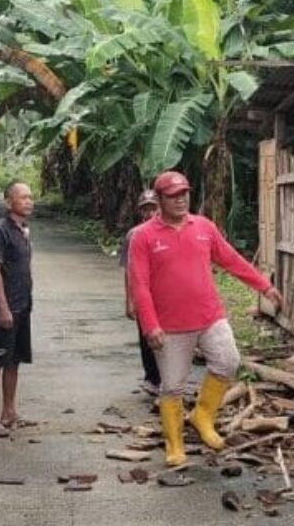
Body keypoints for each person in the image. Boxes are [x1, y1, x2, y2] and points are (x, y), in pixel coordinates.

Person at [128, 170, 284, 467]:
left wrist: (265, 286)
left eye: (184, 193)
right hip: (170, 327)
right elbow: (140, 285)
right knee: (172, 385)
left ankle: (203, 416)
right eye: (173, 196)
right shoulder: (143, 236)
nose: (181, 200)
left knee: (228, 361)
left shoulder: (204, 227)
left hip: (210, 316)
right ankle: (174, 444)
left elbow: (232, 260)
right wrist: (150, 325)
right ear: (159, 199)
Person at [0, 181, 34, 438]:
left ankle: (9, 411)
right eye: (22, 197)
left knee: (14, 361)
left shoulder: (22, 230)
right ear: (8, 202)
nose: (28, 201)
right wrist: (3, 307)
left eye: (30, 197)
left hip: (23, 305)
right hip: (7, 306)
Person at [121, 189, 161, 395]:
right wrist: (129, 300)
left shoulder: (169, 231)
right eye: (145, 209)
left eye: (153, 208)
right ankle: (152, 378)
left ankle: (168, 379)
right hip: (144, 295)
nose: (149, 213)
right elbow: (129, 270)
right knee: (147, 337)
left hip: (167, 295)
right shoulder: (133, 235)